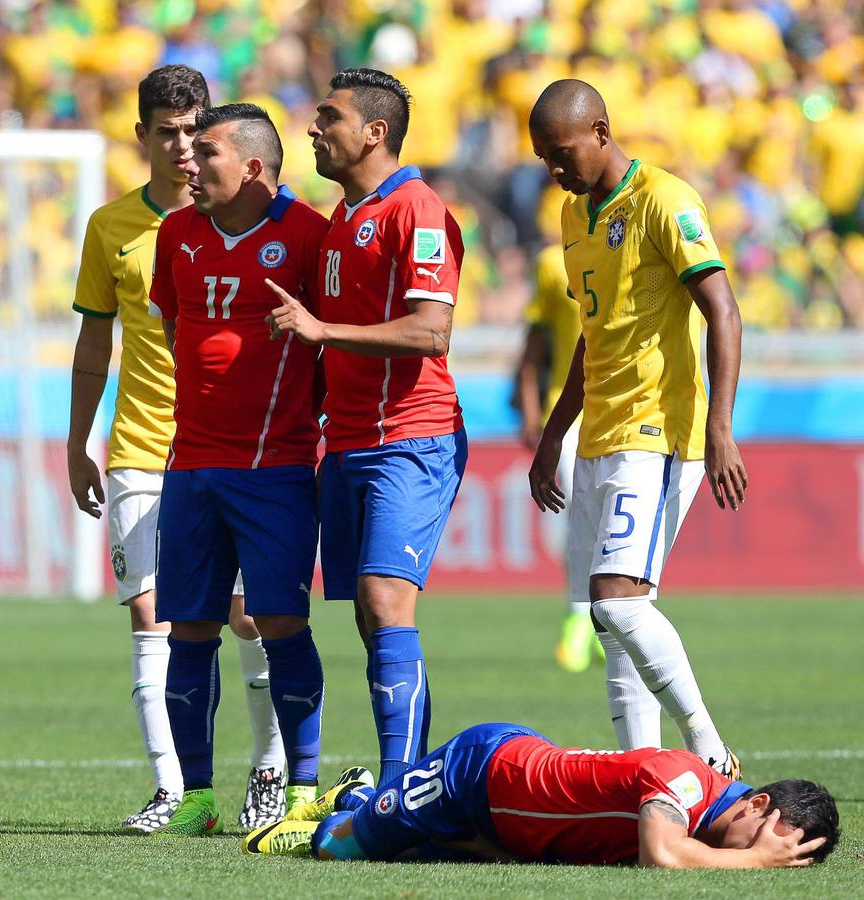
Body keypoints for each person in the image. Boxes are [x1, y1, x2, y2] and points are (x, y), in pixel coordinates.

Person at [66, 65, 288, 833]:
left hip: (227, 446)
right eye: (167, 132)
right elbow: (93, 346)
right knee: (150, 619)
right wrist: (76, 443)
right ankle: (173, 791)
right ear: (142, 137)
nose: (183, 147)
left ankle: (268, 771)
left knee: (249, 618)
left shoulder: (245, 221)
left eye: (195, 132)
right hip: (138, 446)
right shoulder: (110, 228)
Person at [526, 80, 747, 774]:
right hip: (598, 434)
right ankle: (644, 778)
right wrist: (554, 433)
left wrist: (719, 427)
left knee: (617, 605)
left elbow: (723, 310)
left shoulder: (664, 200)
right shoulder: (572, 215)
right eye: (542, 159)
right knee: (613, 623)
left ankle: (708, 750)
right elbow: (593, 338)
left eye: (560, 154)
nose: (554, 171)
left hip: (655, 432)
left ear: (599, 129)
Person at [268, 68, 467, 788]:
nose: (313, 128)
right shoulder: (339, 221)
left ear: (374, 133)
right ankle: (405, 775)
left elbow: (429, 334)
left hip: (410, 437)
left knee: (386, 600)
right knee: (366, 615)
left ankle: (399, 788)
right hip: (346, 442)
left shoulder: (416, 210)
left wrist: (322, 330)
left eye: (329, 117)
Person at [147, 104, 330, 836]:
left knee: (278, 620)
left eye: (208, 151)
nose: (189, 161)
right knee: (188, 628)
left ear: (253, 166)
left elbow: (334, 343)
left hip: (275, 467)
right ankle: (195, 797)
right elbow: (173, 322)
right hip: (191, 463)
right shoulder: (175, 233)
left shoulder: (309, 236)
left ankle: (300, 790)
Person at [242, 722, 839, 869]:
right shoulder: (685, 776)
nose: (759, 861)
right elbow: (662, 857)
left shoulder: (707, 822)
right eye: (766, 843)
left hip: (506, 833)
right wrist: (754, 859)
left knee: (414, 859)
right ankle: (346, 805)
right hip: (475, 770)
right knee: (338, 854)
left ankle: (370, 805)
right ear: (756, 804)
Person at [512, 204, 600, 673]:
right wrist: (531, 412)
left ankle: (606, 616)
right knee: (577, 518)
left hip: (623, 409)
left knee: (610, 520)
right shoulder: (552, 263)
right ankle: (578, 618)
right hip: (565, 412)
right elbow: (535, 343)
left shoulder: (637, 239)